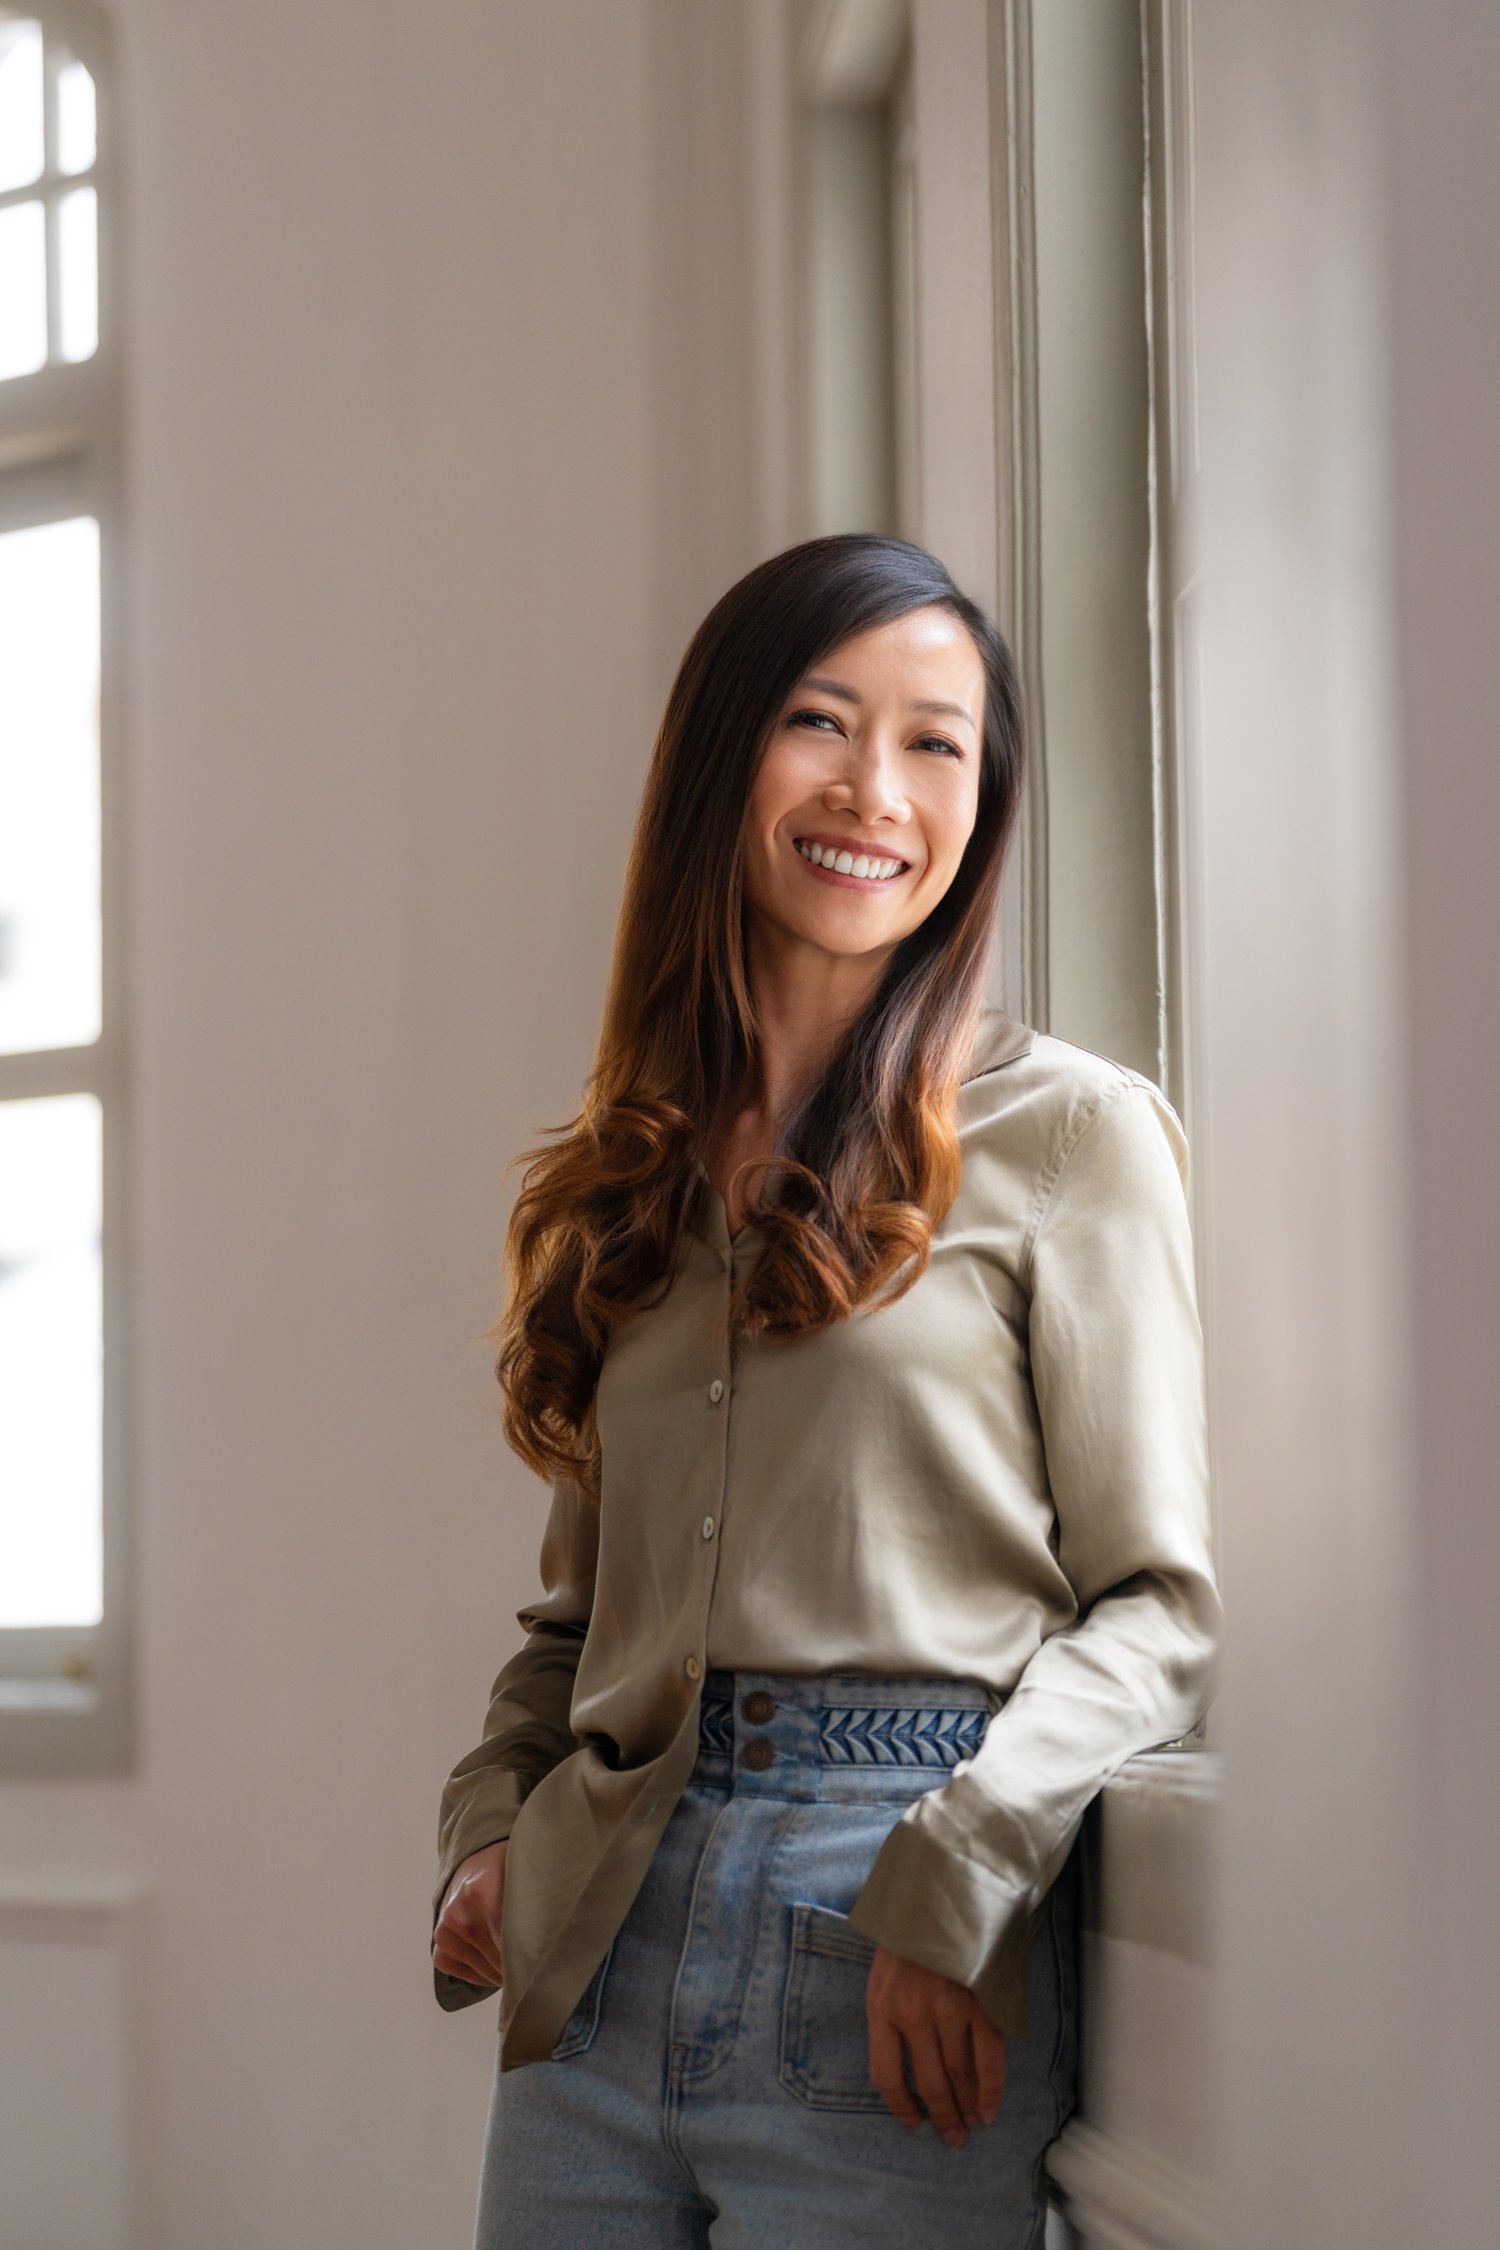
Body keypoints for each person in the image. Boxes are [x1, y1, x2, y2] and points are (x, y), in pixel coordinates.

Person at [430, 533, 1223, 2247]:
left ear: (980, 804)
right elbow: (576, 1628)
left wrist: (960, 1877)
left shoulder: (1073, 1134)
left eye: (937, 741)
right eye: (820, 719)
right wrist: (487, 1834)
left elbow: (1160, 1608)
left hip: (891, 1934)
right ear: (725, 753)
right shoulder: (631, 1175)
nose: (876, 788)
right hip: (595, 1953)